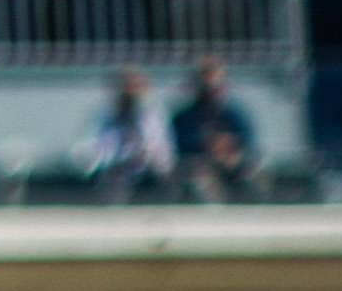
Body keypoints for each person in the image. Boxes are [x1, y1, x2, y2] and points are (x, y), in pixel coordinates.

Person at [79, 65, 176, 199]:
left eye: (135, 88)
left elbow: (165, 156)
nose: (129, 93)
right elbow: (90, 152)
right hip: (112, 178)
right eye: (125, 87)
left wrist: (146, 154)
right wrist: (111, 161)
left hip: (147, 179)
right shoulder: (103, 116)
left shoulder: (153, 117)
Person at [174, 60, 260, 201]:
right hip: (199, 163)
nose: (211, 93)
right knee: (199, 179)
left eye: (215, 88)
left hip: (229, 161)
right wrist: (206, 143)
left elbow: (247, 139)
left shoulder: (233, 114)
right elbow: (180, 143)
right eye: (206, 89)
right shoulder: (184, 117)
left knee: (252, 172)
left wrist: (228, 145)